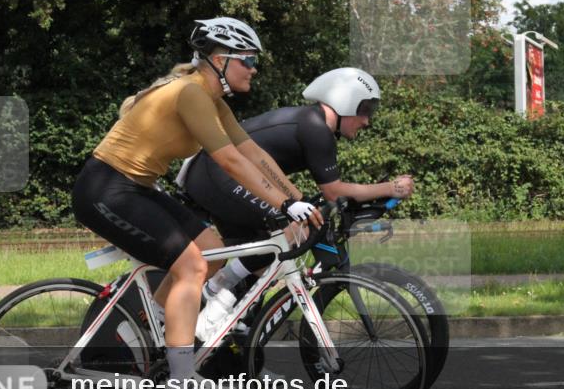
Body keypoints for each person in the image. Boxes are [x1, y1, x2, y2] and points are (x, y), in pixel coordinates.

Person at [71, 17, 322, 389]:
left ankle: (151, 323)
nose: (254, 70)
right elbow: (230, 162)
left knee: (211, 249)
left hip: (136, 187)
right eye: (248, 61)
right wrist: (285, 204)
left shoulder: (212, 100)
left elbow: (251, 152)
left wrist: (298, 197)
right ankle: (181, 379)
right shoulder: (190, 94)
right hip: (105, 188)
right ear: (220, 60)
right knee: (191, 266)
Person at [176, 67, 414, 298]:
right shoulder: (316, 128)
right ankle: (214, 290)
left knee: (263, 264)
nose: (367, 121)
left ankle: (236, 324)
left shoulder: (314, 123)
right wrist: (391, 188)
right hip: (216, 173)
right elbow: (333, 191)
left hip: (215, 174)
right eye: (365, 109)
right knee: (296, 228)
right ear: (345, 101)